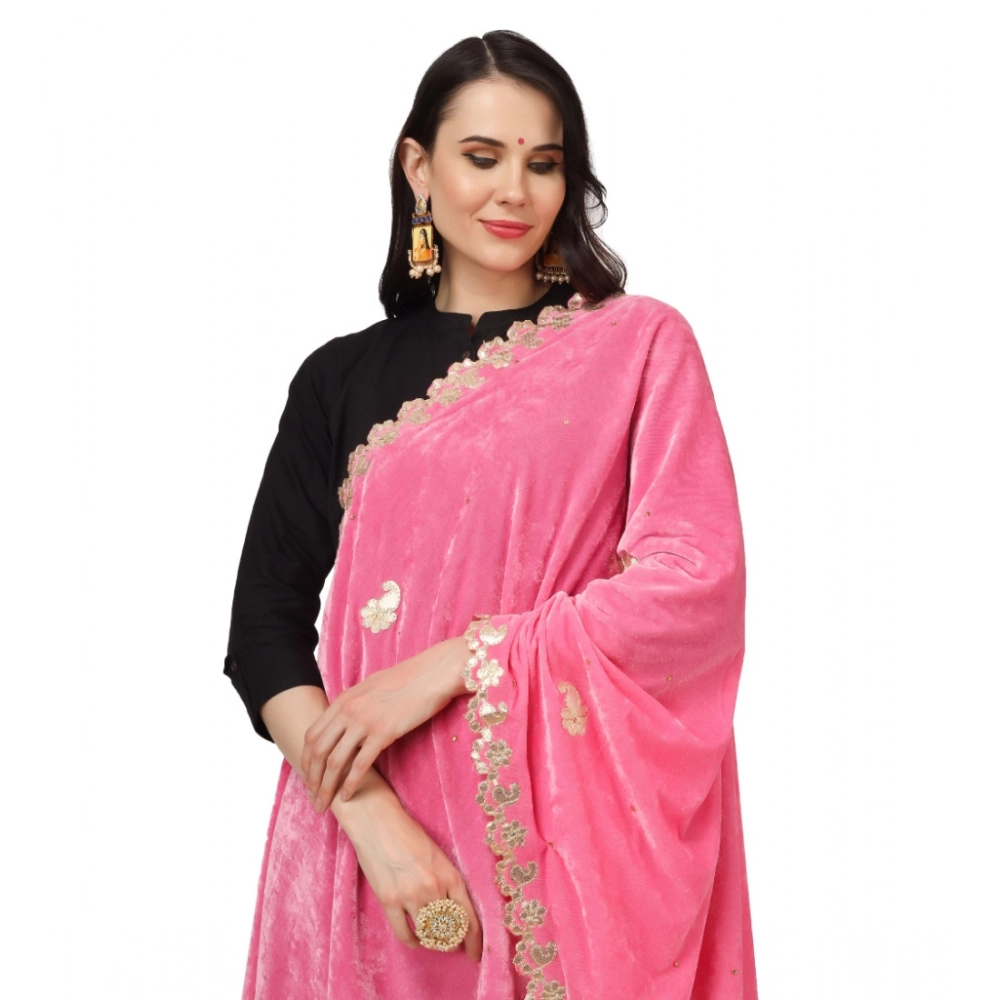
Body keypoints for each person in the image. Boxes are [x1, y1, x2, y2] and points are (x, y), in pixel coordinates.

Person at [223, 30, 756, 1000]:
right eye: (481, 157)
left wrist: (453, 664)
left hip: (562, 851)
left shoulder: (638, 346)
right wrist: (372, 824)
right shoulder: (337, 379)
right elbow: (261, 632)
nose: (514, 190)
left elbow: (694, 587)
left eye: (542, 163)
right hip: (365, 863)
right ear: (418, 169)